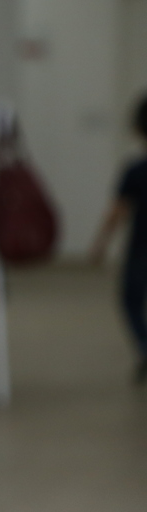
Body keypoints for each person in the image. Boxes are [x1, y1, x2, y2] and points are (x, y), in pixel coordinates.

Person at [89, 94, 147, 384]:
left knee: (131, 301)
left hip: (141, 248)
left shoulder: (136, 170)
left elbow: (118, 211)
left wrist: (101, 243)